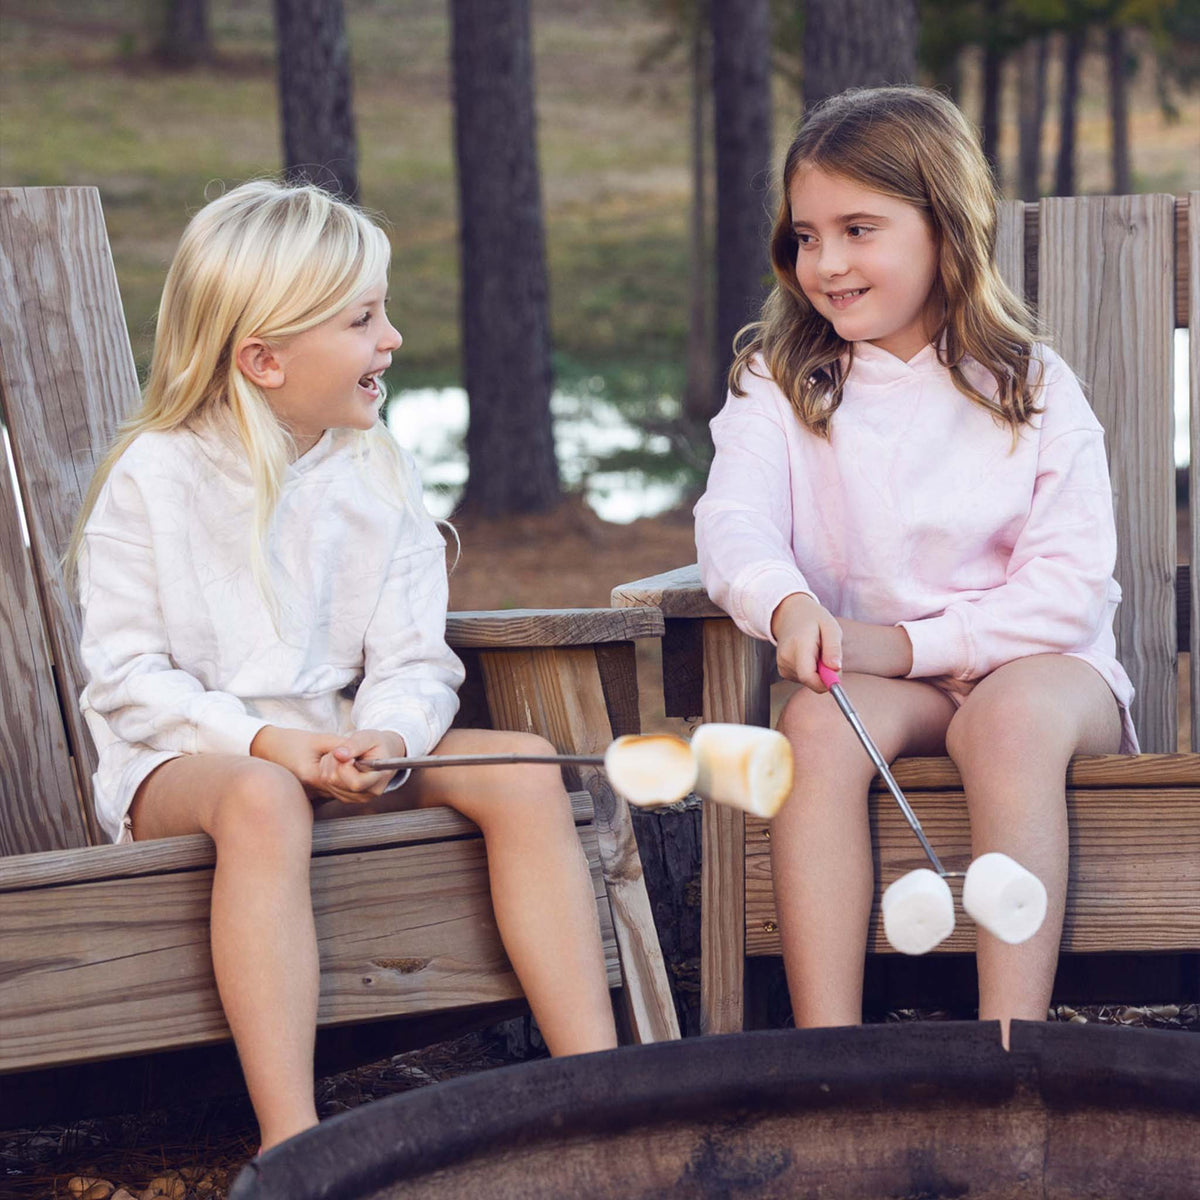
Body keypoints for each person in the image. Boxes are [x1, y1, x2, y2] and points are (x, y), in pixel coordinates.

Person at [67, 180, 617, 1152]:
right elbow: (125, 677)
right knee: (260, 799)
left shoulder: (378, 469)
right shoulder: (155, 476)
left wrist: (389, 737)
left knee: (525, 767)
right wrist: (271, 743)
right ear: (264, 358)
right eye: (364, 319)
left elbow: (416, 660)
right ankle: (294, 1141)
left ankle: (602, 1102)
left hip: (332, 755)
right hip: (183, 769)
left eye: (384, 312)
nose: (392, 339)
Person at [694, 87, 1137, 1046]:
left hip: (1044, 673)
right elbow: (733, 520)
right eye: (808, 235)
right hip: (893, 685)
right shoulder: (780, 385)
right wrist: (782, 603)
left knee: (1008, 722)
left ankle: (1007, 1045)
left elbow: (1066, 596)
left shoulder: (1031, 387)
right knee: (814, 727)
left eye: (860, 228)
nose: (829, 263)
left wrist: (894, 642)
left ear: (945, 228)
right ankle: (832, 1051)